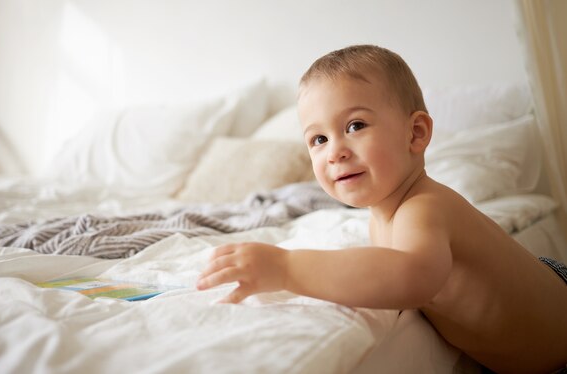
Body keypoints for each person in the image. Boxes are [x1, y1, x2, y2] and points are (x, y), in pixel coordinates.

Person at [196, 44, 567, 373]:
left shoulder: (424, 207)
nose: (334, 151)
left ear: (416, 134)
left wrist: (287, 267)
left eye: (355, 125)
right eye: (319, 139)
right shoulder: (382, 217)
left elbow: (412, 277)